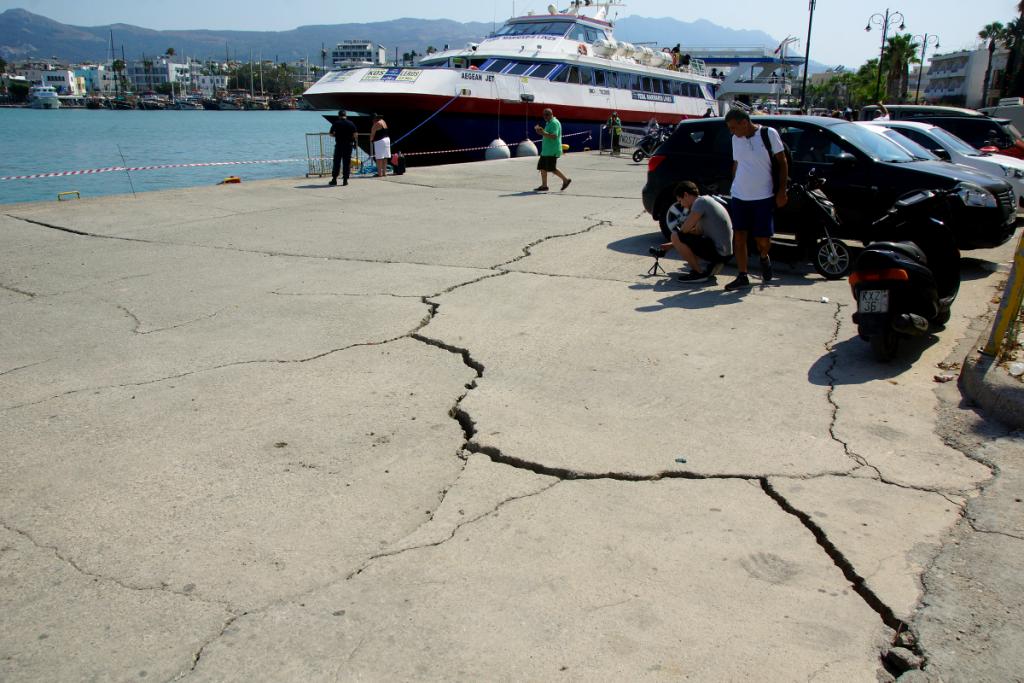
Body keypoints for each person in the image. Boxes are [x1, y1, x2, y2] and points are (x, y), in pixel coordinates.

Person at [722, 108, 788, 291]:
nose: (732, 131)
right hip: (740, 196)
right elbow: (737, 163)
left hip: (763, 197)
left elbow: (782, 162)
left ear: (744, 123)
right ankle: (742, 275)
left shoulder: (768, 134)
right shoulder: (736, 139)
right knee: (739, 237)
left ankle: (764, 258)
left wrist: (782, 190)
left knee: (762, 240)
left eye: (733, 127)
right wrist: (733, 185)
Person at [648, 181, 733, 283]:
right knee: (678, 238)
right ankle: (713, 265)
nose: (682, 205)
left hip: (719, 252)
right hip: (726, 253)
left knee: (675, 235)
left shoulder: (699, 203)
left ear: (686, 195)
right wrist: (671, 245)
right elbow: (697, 231)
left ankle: (699, 273)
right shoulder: (706, 200)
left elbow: (684, 230)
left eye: (680, 201)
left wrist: (675, 240)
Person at [534, 108, 571, 192]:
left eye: (547, 115)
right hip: (546, 151)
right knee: (542, 167)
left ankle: (565, 180)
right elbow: (547, 134)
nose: (545, 116)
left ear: (551, 114)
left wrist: (542, 133)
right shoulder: (548, 123)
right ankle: (544, 185)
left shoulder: (554, 123)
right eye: (544, 115)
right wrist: (541, 131)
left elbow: (554, 136)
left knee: (552, 168)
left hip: (552, 150)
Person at [328, 111, 357, 186]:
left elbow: (331, 134)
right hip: (348, 145)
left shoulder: (336, 123)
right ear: (346, 115)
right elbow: (355, 135)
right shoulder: (351, 123)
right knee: (346, 162)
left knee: (337, 162)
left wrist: (336, 136)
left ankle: (334, 179)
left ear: (339, 116)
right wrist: (354, 142)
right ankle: (345, 180)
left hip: (339, 145)